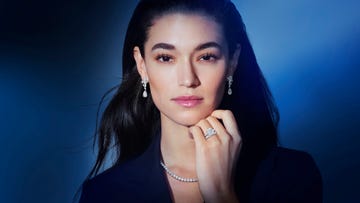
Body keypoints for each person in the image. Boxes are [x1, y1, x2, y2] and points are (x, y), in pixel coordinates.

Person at [79, 0, 322, 202]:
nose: (188, 79)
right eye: (165, 58)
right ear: (142, 64)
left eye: (206, 56)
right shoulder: (105, 194)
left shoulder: (292, 176)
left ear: (232, 62)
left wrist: (220, 194)